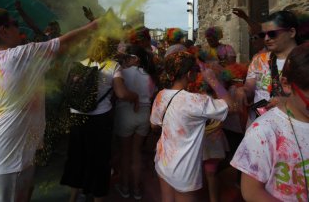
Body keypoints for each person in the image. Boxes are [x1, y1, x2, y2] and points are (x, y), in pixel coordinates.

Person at [0, 7, 100, 202]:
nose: (19, 28)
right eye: (14, 24)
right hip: (9, 154)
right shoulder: (18, 56)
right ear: (3, 31)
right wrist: (95, 25)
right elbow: (65, 43)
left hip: (11, 148)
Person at [150, 52, 237, 202]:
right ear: (190, 74)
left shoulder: (161, 95)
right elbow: (232, 107)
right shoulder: (196, 101)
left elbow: (153, 125)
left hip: (163, 161)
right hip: (184, 170)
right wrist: (213, 80)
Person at [60, 37, 138, 202]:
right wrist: (135, 96)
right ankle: (97, 196)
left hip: (76, 117)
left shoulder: (80, 64)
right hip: (99, 120)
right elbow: (122, 94)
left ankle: (73, 197)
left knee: (77, 157)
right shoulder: (112, 66)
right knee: (99, 161)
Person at [231, 42, 309, 201]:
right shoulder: (263, 132)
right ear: (286, 85)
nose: (267, 39)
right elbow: (252, 191)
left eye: (273, 34)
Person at [235, 10, 300, 127]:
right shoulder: (259, 60)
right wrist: (243, 90)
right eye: (262, 35)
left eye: (272, 34)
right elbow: (250, 86)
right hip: (258, 125)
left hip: (291, 129)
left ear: (291, 32)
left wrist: (287, 103)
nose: (266, 39)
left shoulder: (304, 60)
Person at [113, 45, 156, 200]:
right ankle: (137, 189)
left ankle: (125, 187)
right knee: (136, 153)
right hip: (144, 114)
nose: (124, 60)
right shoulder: (149, 76)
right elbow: (151, 95)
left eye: (127, 57)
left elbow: (117, 92)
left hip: (125, 113)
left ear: (135, 58)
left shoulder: (121, 72)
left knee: (125, 154)